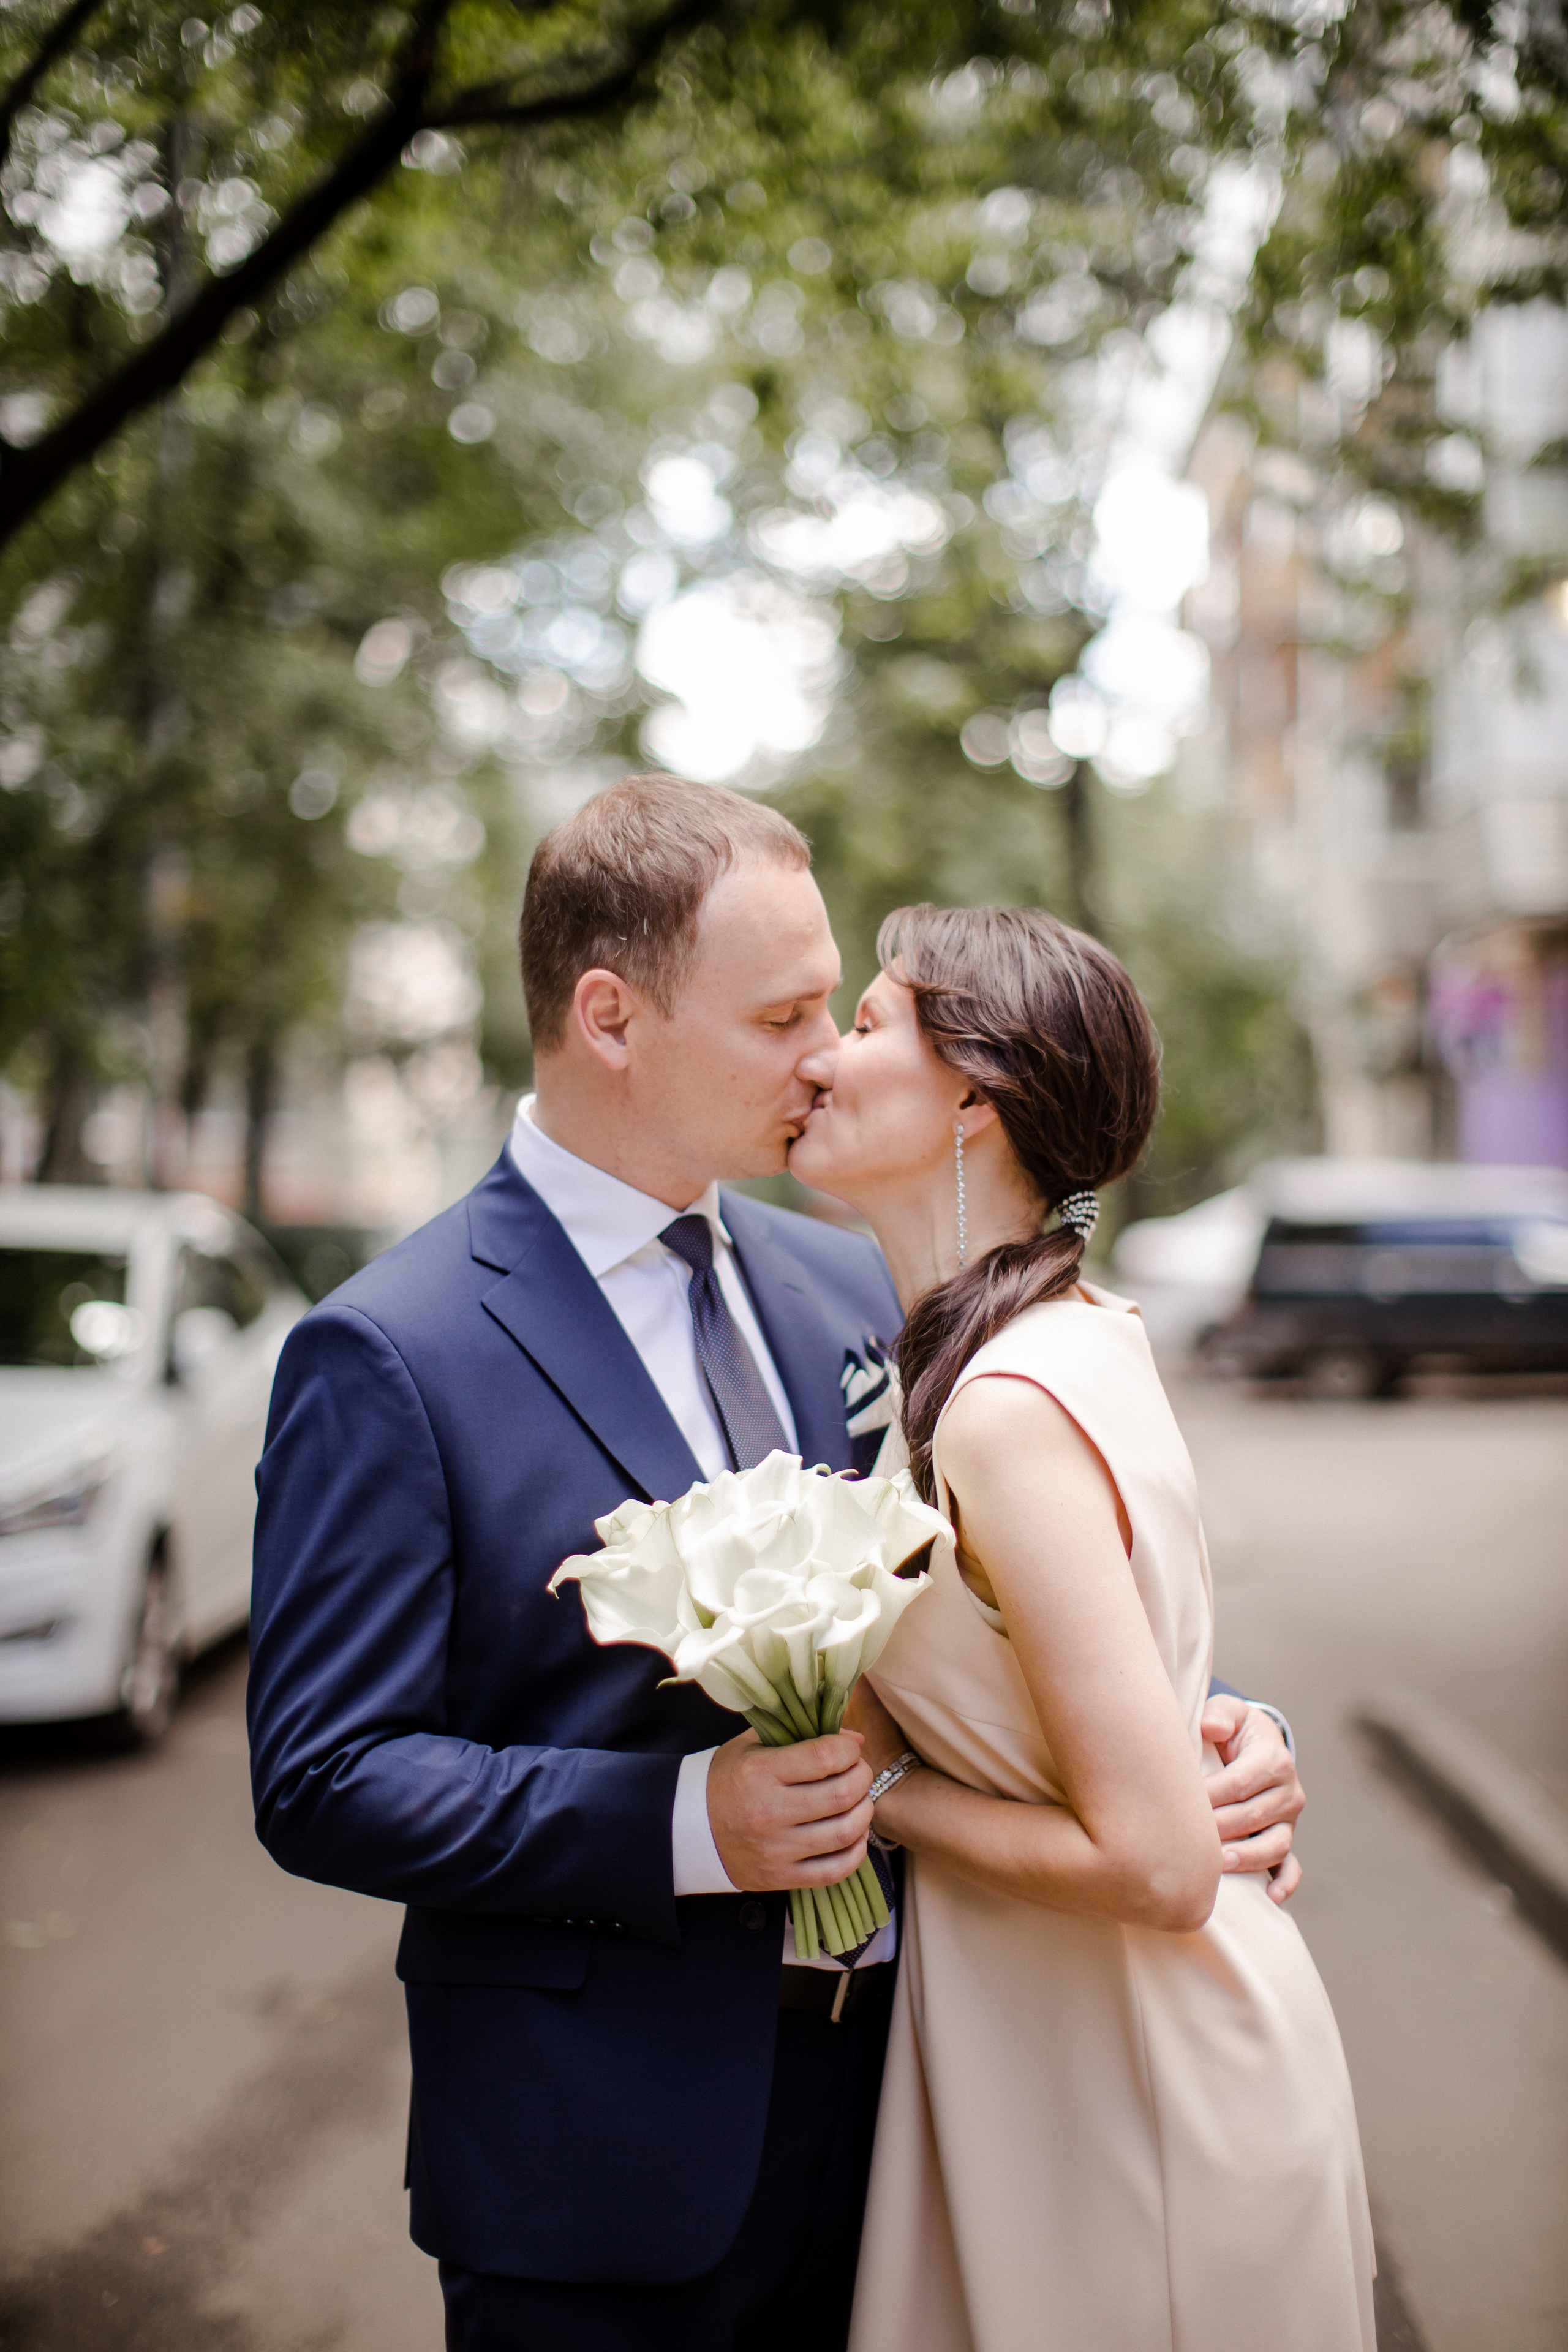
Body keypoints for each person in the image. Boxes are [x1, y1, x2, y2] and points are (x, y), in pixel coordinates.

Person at [247, 775, 1308, 2352]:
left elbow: (997, 1593)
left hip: (924, 2114)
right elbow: (327, 1774)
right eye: (782, 1015)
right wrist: (686, 1820)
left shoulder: (854, 1281)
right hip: (604, 2171)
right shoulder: (391, 1350)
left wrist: (1211, 1719)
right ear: (610, 1017)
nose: (823, 1053)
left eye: (833, 1008)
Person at [785, 902, 1374, 2352]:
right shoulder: (1047, 1341)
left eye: (862, 1027)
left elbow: (1162, 1862)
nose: (820, 1058)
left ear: (970, 1099)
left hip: (1139, 2069)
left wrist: (884, 1802)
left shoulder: (1001, 1407)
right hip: (1043, 2044)